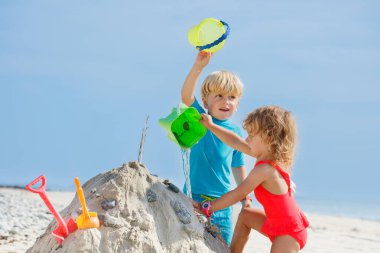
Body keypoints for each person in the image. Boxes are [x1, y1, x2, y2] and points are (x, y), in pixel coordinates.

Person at [194, 106, 309, 253]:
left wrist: (207, 207)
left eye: (251, 135)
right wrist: (211, 126)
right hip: (277, 223)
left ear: (268, 138)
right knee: (245, 216)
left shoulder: (264, 170)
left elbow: (238, 194)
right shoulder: (268, 158)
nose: (246, 139)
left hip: (288, 233)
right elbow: (235, 142)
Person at [181, 51, 251, 244]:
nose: (225, 101)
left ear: (237, 104)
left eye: (231, 97)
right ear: (205, 101)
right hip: (191, 199)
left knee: (221, 246)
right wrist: (198, 67)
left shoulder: (234, 132)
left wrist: (245, 195)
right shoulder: (200, 119)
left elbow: (237, 165)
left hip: (222, 205)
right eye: (218, 96)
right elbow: (186, 96)